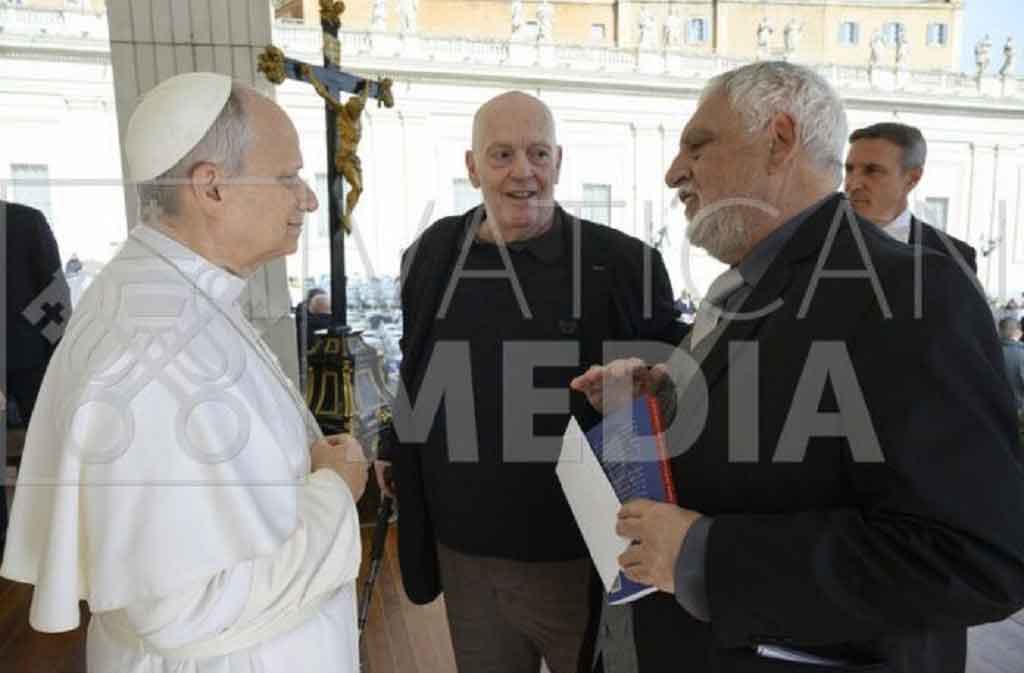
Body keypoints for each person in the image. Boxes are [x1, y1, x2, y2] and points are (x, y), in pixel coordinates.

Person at [571, 61, 1024, 673]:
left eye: (698, 146)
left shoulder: (912, 291)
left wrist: (708, 555)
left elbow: (974, 558)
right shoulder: (745, 285)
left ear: (779, 141)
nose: (674, 171)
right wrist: (664, 398)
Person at [1, 72, 369, 673]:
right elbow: (185, 605)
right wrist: (335, 488)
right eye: (287, 176)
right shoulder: (151, 345)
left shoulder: (168, 292)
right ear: (212, 186)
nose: (306, 198)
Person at [376, 90, 687, 673]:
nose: (523, 172)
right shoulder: (433, 252)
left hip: (582, 556)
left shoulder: (623, 264)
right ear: (472, 168)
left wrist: (652, 380)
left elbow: (678, 376)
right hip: (464, 551)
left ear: (559, 162)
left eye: (538, 154)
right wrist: (393, 442)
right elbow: (414, 363)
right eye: (501, 155)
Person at [3, 199, 69, 557]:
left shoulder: (24, 220)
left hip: (33, 359)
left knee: (53, 450)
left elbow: (52, 294)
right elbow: (53, 294)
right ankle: (59, 541)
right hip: (32, 355)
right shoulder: (25, 220)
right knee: (53, 452)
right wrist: (61, 352)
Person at [844, 122, 976, 274]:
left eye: (872, 171)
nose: (853, 184)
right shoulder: (818, 241)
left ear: (913, 178)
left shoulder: (955, 257)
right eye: (849, 169)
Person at [999, 317, 1024, 412]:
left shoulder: (992, 352)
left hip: (997, 407)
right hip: (1019, 408)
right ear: (1017, 331)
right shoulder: (1021, 354)